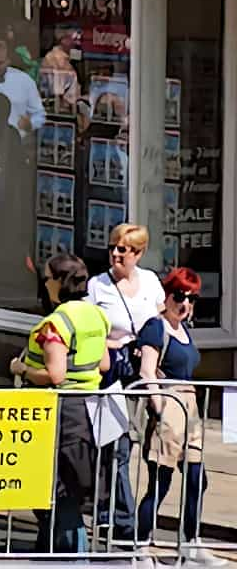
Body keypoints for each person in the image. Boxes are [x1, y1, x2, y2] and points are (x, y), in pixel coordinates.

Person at [12, 253, 109, 552]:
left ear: (59, 283)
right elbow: (103, 363)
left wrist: (21, 368)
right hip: (90, 409)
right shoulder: (96, 314)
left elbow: (55, 374)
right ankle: (50, 552)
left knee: (60, 491)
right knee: (69, 491)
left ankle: (70, 557)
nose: (44, 284)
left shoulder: (57, 323)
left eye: (47, 278)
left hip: (60, 412)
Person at [87, 222, 162, 540]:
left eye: (123, 249)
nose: (115, 254)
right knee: (116, 449)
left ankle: (116, 512)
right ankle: (119, 518)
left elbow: (158, 321)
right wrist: (118, 345)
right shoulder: (97, 285)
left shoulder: (150, 281)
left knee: (138, 450)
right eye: (112, 247)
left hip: (144, 378)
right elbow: (92, 331)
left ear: (139, 253)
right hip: (113, 376)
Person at [134, 268, 207, 550]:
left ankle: (192, 542)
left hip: (190, 408)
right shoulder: (157, 327)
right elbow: (147, 372)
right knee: (161, 481)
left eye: (191, 298)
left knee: (196, 479)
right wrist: (159, 406)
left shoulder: (184, 329)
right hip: (170, 406)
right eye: (179, 296)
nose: (185, 304)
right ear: (167, 296)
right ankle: (141, 544)